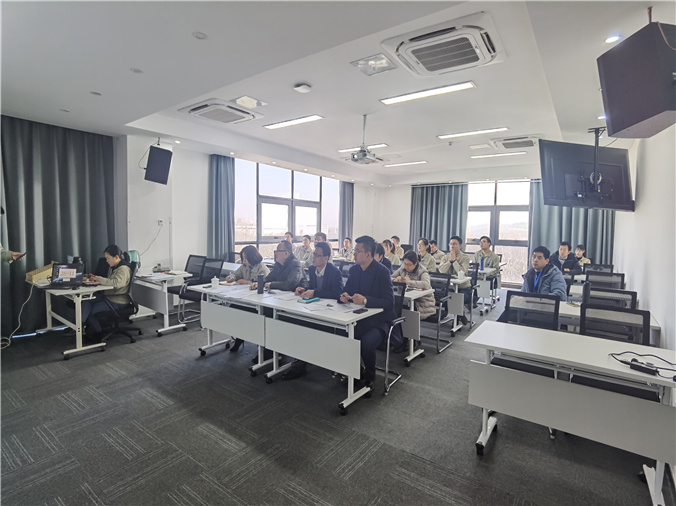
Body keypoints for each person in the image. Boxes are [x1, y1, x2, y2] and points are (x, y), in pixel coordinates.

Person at [340, 235, 396, 388]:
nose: (354, 254)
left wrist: (366, 300)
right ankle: (357, 371)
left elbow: (389, 303)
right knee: (342, 335)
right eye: (354, 250)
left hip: (379, 321)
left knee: (366, 343)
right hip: (358, 318)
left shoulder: (382, 272)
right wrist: (344, 296)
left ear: (368, 254)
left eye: (357, 251)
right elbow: (346, 290)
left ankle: (370, 378)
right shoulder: (354, 270)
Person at [283, 242, 345, 380]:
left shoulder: (334, 272)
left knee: (307, 326)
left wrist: (315, 292)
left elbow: (337, 293)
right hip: (314, 309)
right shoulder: (311, 269)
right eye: (313, 254)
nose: (313, 258)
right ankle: (301, 360)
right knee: (297, 322)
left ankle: (308, 360)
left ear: (326, 258)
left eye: (317, 255)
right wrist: (304, 290)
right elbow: (311, 287)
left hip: (330, 313)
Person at [497, 246, 568, 322]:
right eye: (534, 257)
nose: (535, 260)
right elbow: (522, 294)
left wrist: (537, 299)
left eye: (539, 258)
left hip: (547, 311)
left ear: (547, 261)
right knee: (507, 312)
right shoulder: (529, 274)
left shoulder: (555, 274)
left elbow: (560, 295)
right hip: (529, 308)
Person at [85, 245, 133, 341]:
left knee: (89, 311)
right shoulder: (116, 267)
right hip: (111, 297)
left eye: (108, 258)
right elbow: (111, 281)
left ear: (116, 257)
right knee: (86, 302)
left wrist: (100, 279)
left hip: (117, 301)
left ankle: (99, 333)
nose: (107, 261)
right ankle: (79, 326)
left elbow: (117, 283)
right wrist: (98, 280)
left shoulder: (123, 269)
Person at [392, 250, 435, 321]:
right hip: (407, 300)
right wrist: (396, 280)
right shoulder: (403, 268)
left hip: (423, 303)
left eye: (409, 264)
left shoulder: (422, 271)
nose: (406, 266)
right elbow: (390, 277)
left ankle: (407, 326)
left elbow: (426, 284)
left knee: (403, 309)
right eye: (405, 263)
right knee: (394, 305)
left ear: (415, 263)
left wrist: (408, 282)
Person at [438, 235, 471, 325]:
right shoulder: (445, 257)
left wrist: (454, 261)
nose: (452, 246)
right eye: (451, 244)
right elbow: (442, 271)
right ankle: (460, 313)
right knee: (444, 298)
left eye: (455, 244)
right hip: (448, 287)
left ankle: (457, 318)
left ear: (460, 246)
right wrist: (450, 261)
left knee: (456, 298)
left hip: (463, 288)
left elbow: (462, 272)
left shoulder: (465, 258)